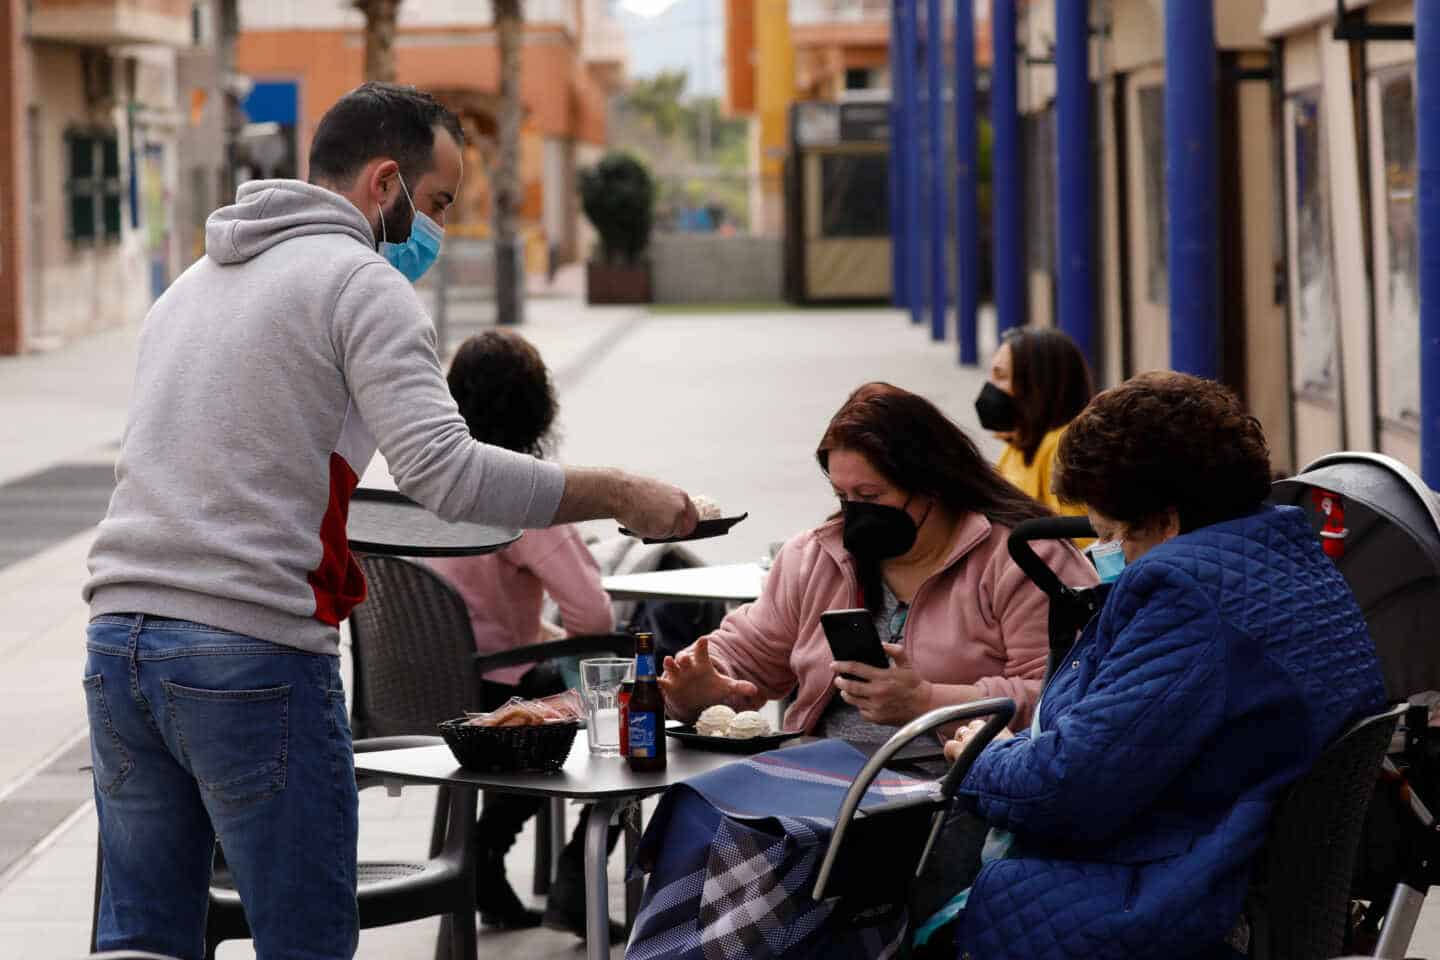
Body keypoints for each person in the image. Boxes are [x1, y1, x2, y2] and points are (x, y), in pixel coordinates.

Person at [81, 82, 696, 960]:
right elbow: (445, 473)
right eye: (437, 202)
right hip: (248, 649)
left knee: (143, 938)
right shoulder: (361, 283)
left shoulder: (188, 287)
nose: (437, 230)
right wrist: (620, 492)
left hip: (117, 648)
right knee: (306, 940)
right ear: (383, 184)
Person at [939, 372, 1387, 959]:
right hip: (1244, 869)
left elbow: (1068, 788)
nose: (1112, 555)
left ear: (1167, 521)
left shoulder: (1186, 594)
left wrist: (978, 756)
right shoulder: (1288, 564)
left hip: (1177, 895)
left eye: (1115, 536)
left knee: (902, 886)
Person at [660, 382, 1097, 743]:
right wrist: (702, 685)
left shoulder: (1026, 560)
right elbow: (746, 651)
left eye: (871, 497)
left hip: (954, 796)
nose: (855, 513)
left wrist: (927, 701)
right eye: (842, 497)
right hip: (825, 782)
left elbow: (1066, 697)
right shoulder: (817, 557)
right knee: (695, 821)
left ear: (932, 485)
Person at [425, 330, 622, 941]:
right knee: (635, 693)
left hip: (421, 691)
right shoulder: (524, 493)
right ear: (539, 407)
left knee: (553, 675)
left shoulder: (423, 481)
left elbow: (463, 609)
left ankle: (484, 855)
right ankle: (569, 874)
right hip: (500, 711)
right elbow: (594, 619)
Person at [975, 327, 1093, 518]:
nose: (990, 387)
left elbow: (1079, 540)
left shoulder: (1064, 449)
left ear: (1035, 384)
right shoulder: (1019, 444)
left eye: (1001, 376)